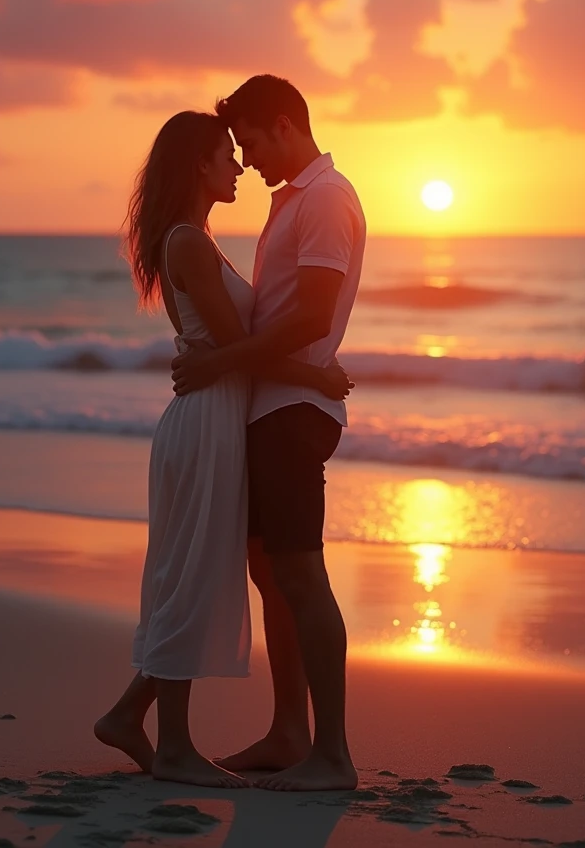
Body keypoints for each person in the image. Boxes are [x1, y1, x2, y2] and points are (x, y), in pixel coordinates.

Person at [94, 110, 352, 789]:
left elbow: (228, 352)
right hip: (206, 421)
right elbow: (237, 350)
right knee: (192, 576)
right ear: (197, 167)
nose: (237, 166)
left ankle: (132, 717)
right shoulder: (190, 244)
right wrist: (316, 374)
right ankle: (172, 744)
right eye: (224, 157)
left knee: (197, 572)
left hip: (214, 418)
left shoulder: (195, 240)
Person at [171, 75, 366, 792]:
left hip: (294, 413)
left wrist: (222, 360)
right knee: (272, 571)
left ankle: (332, 755)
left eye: (249, 141)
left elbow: (313, 316)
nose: (245, 160)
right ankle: (289, 732)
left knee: (301, 573)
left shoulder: (325, 198)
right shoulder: (294, 201)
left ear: (283, 125)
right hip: (270, 405)